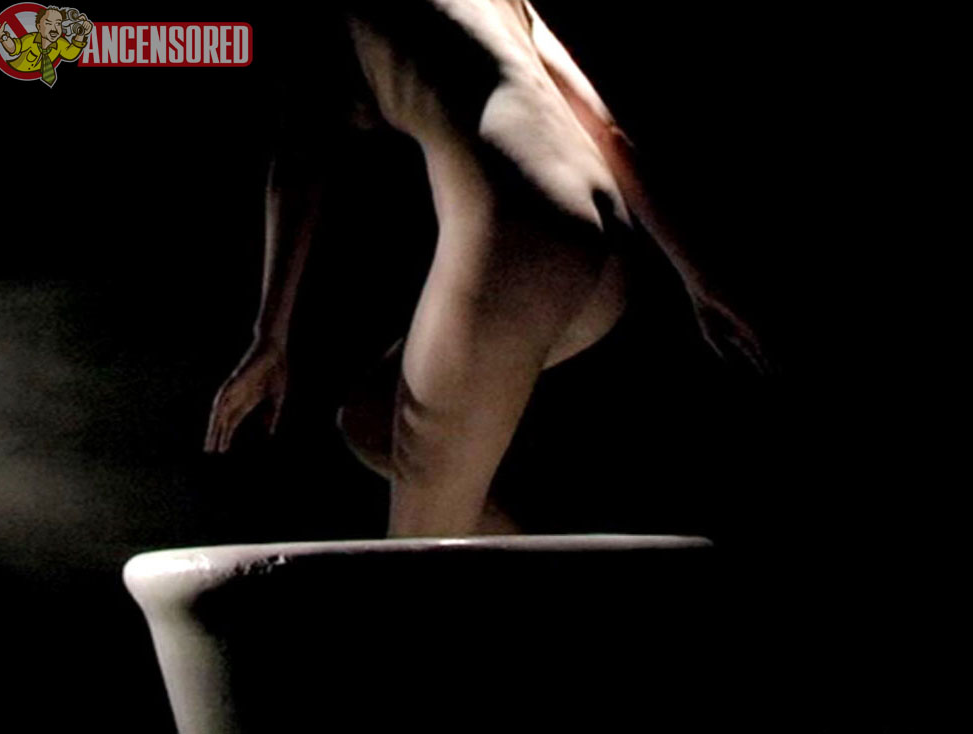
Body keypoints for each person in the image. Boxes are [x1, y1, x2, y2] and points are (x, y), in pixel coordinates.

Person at [203, 0, 769, 537]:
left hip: (523, 231)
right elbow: (607, 133)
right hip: (608, 243)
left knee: (417, 550)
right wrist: (698, 276)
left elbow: (299, 158)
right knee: (372, 420)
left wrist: (268, 336)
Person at [0, 6, 92, 87]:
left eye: (58, 24)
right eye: (48, 23)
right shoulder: (31, 39)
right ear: (39, 27)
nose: (54, 29)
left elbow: (70, 54)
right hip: (13, 74)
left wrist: (81, 33)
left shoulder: (60, 43)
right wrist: (2, 35)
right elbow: (13, 48)